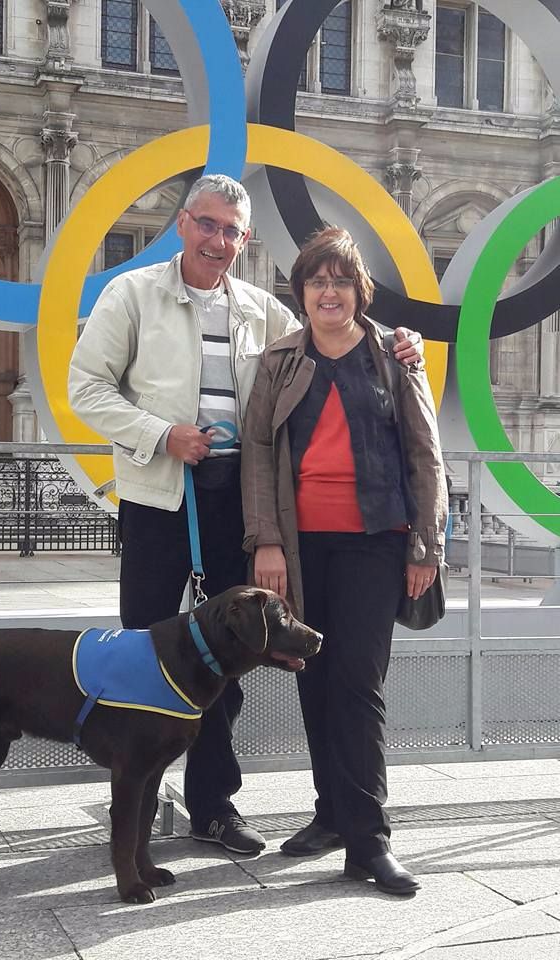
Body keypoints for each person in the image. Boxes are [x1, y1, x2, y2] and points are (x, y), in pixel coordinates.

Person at [68, 176, 423, 856]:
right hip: (158, 497)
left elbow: (334, 330)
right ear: (182, 224)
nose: (218, 241)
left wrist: (398, 339)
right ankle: (134, 804)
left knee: (224, 658)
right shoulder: (131, 295)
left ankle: (213, 807)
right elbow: (84, 386)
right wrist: (158, 432)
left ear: (245, 239)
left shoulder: (261, 310)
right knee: (143, 650)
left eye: (232, 231)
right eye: (207, 225)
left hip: (235, 502)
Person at [241, 226, 447, 893]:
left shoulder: (392, 355)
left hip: (375, 543)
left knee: (356, 686)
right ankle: (331, 813)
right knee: (313, 679)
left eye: (339, 280)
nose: (327, 292)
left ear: (359, 291)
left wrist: (425, 544)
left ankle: (368, 841)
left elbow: (424, 453)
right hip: (301, 548)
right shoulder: (278, 360)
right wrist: (265, 541)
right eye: (315, 281)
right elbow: (258, 454)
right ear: (300, 292)